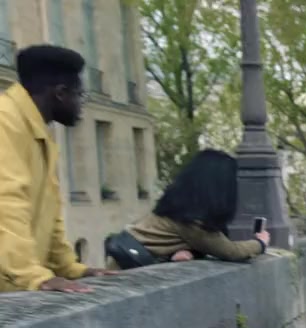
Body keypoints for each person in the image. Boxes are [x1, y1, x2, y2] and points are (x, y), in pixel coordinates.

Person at [0, 45, 114, 293]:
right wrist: (33, 277)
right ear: (60, 93)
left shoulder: (36, 130)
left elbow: (49, 211)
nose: (81, 106)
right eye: (80, 95)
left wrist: (69, 268)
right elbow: (6, 205)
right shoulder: (4, 121)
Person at [121, 149, 270, 265]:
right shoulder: (193, 222)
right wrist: (260, 243)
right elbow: (231, 252)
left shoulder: (175, 209)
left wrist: (188, 252)